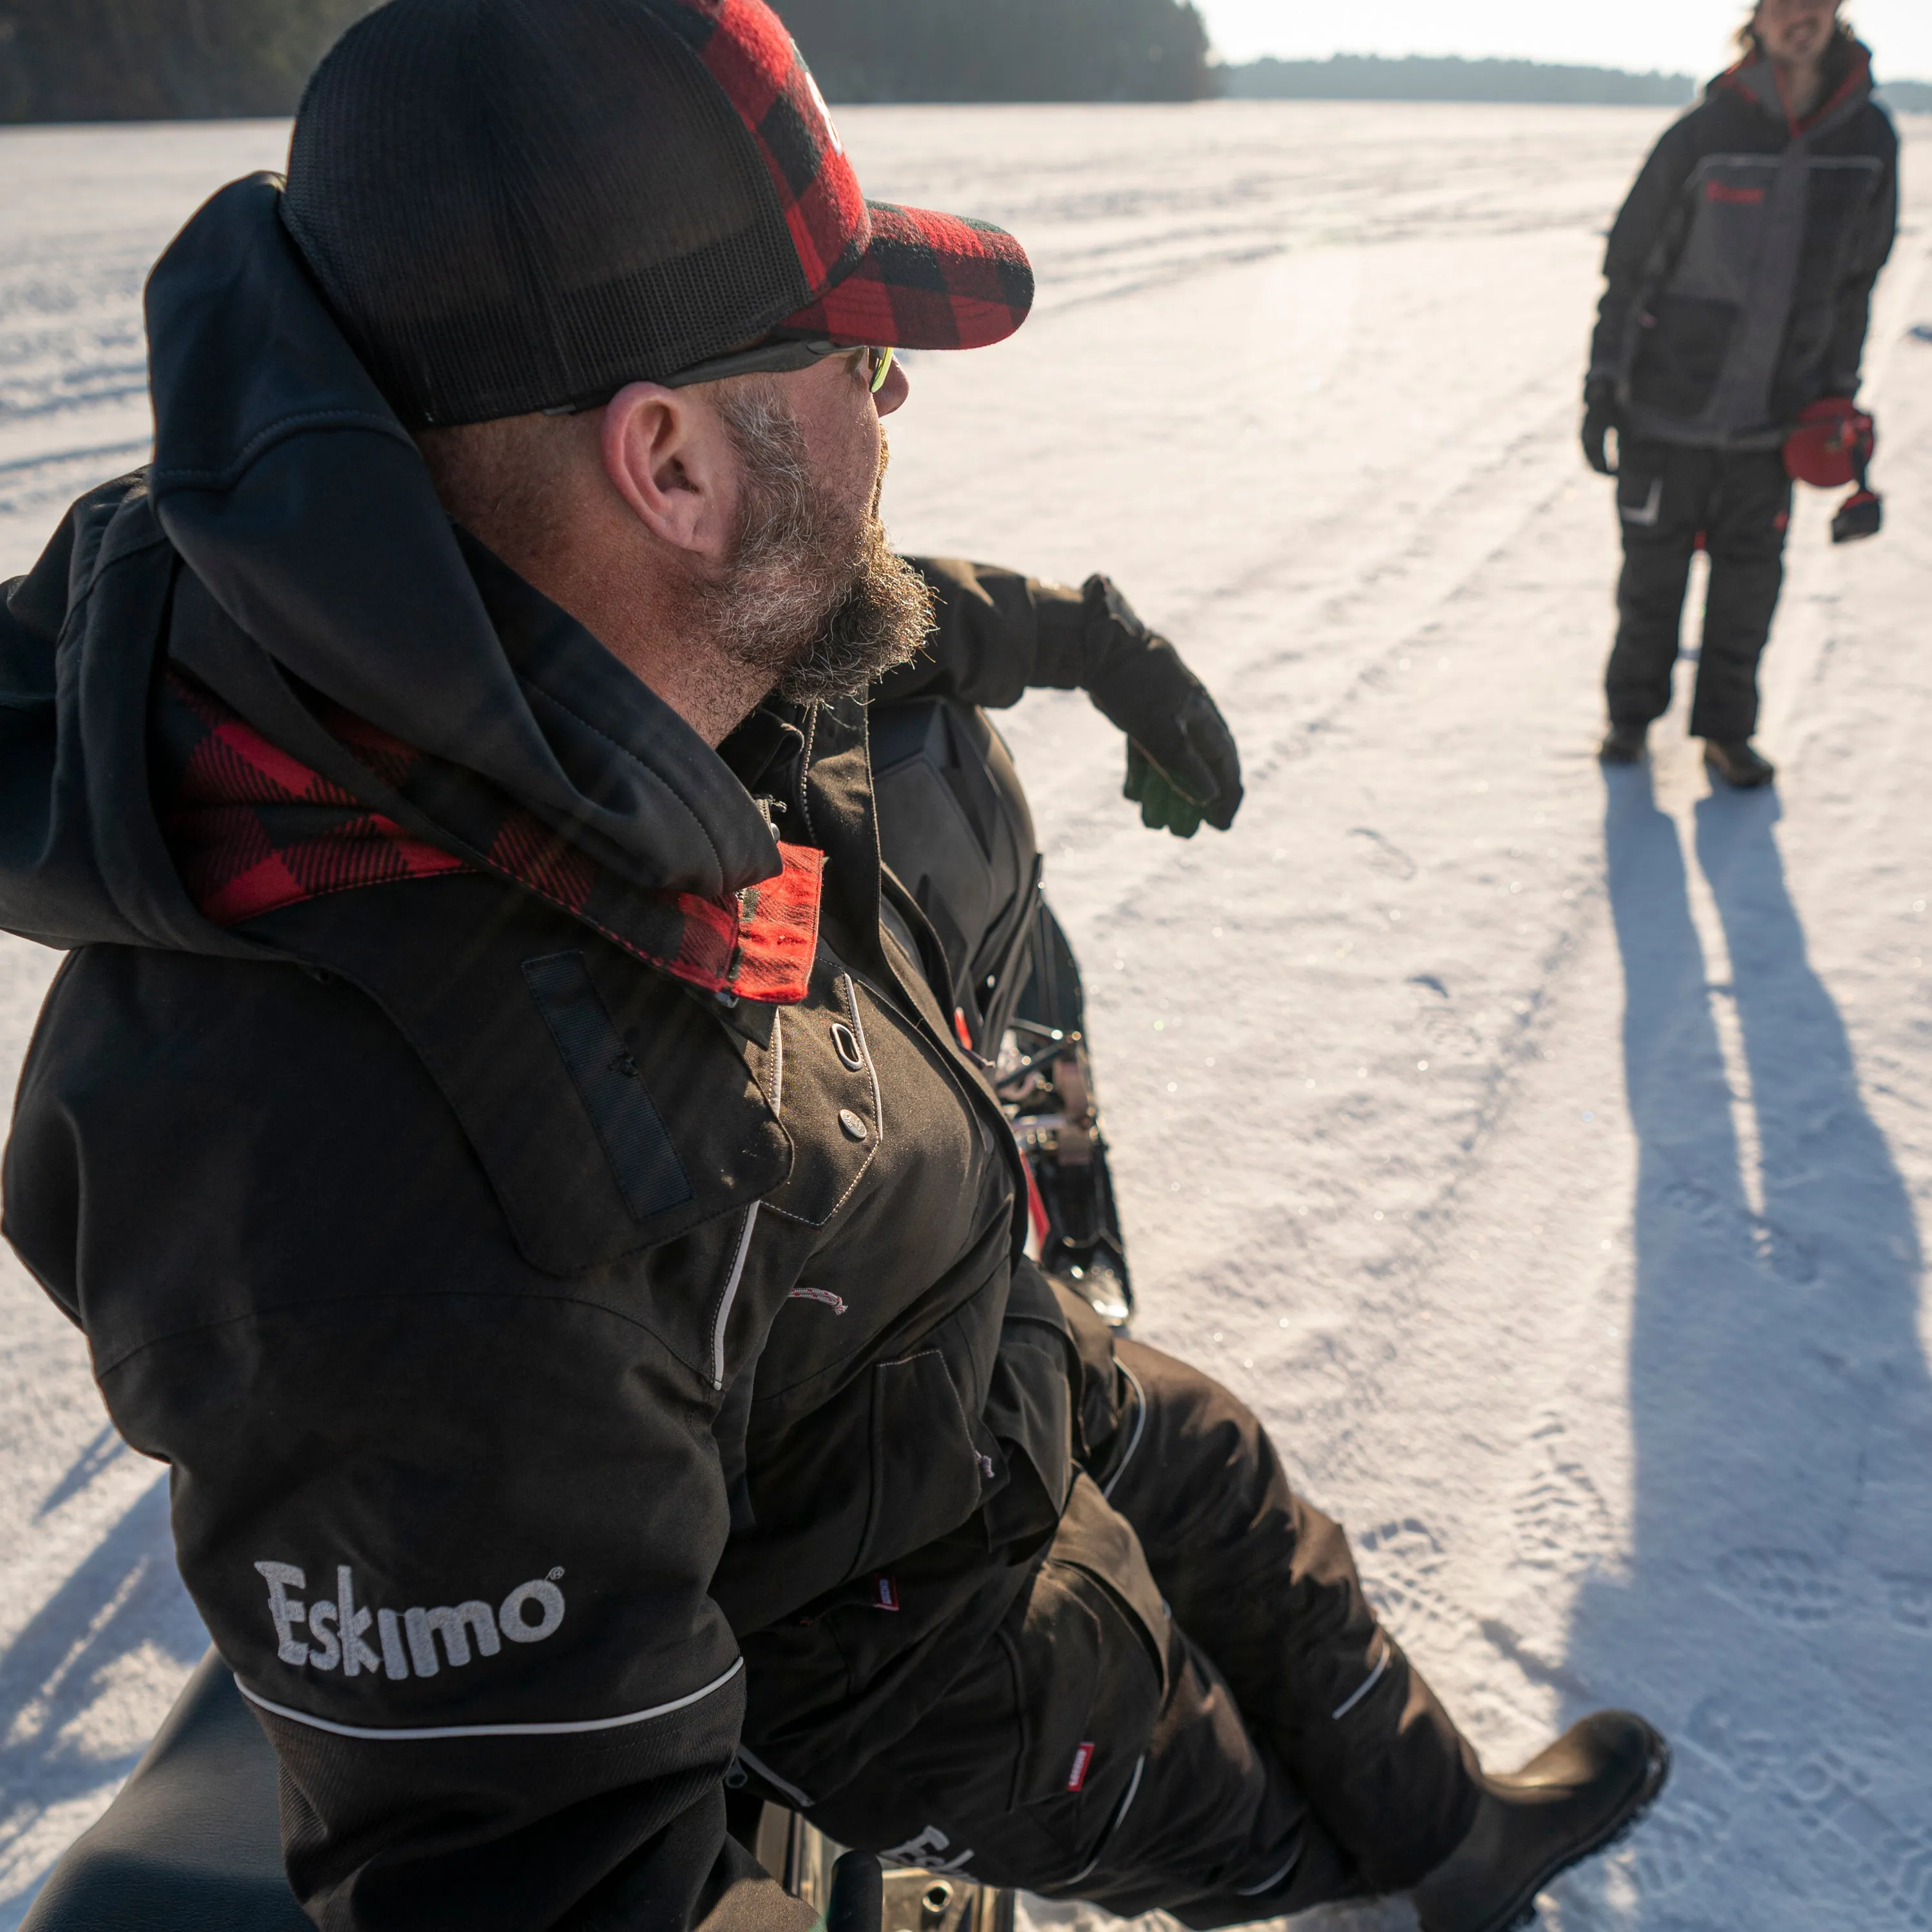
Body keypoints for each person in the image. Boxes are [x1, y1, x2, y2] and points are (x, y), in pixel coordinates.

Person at [1, 5, 1663, 1931]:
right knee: (1207, 1780)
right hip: (906, 1639)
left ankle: (1455, 1841)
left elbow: (868, 601)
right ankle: (1347, 1890)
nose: (889, 420)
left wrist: (1086, 639)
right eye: (860, 364)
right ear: (674, 464)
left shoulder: (574, 647)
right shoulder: (375, 1191)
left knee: (1228, 1483)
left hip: (954, 1357)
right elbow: (554, 1888)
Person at [1582, 0, 1897, 788]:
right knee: (1650, 586)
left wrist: (1837, 396)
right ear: (1755, 18)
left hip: (1777, 421)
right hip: (1668, 410)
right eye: (1784, 4)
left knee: (1748, 592)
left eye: (1816, 4)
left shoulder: (1868, 140)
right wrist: (1602, 384)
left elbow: (1859, 281)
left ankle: (1727, 734)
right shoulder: (1703, 133)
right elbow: (1630, 268)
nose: (1802, 18)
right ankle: (1629, 720)